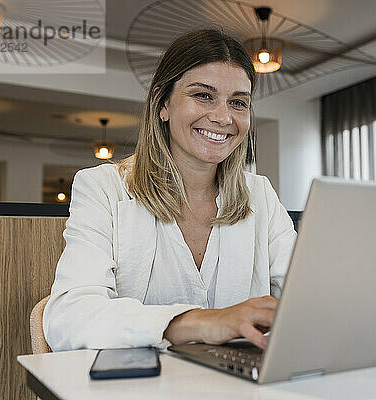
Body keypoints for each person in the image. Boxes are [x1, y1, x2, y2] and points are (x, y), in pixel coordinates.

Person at [43, 29, 297, 352]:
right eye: (203, 95)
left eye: (238, 102)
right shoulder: (103, 189)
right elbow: (67, 318)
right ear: (163, 104)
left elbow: (309, 298)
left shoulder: (260, 194)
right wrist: (196, 322)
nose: (223, 116)